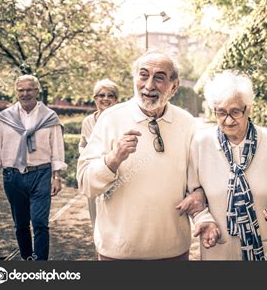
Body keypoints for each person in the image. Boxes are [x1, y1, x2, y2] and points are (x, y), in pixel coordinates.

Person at [76, 52, 217, 260]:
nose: (149, 85)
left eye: (159, 77)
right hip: (118, 252)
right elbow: (85, 183)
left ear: (174, 86)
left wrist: (200, 194)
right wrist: (113, 159)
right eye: (143, 75)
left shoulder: (187, 123)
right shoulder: (110, 119)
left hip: (173, 252)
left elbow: (199, 179)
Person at [189, 71, 267, 260]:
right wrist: (203, 218)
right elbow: (192, 192)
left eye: (235, 112)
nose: (228, 120)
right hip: (218, 247)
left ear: (249, 109)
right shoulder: (201, 143)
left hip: (263, 246)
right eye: (221, 112)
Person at [0, 75, 66, 261]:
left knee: (39, 223)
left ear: (37, 91)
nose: (25, 93)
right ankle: (27, 259)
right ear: (16, 92)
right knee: (21, 224)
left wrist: (57, 177)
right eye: (21, 90)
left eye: (29, 89)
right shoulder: (4, 118)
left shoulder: (50, 117)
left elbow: (57, 150)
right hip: (12, 177)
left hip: (41, 174)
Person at [79, 79, 119, 228]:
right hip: (94, 173)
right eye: (101, 95)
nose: (106, 99)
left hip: (115, 173)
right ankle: (99, 247)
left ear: (116, 100)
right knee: (95, 218)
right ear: (95, 99)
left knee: (115, 216)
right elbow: (82, 145)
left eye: (110, 95)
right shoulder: (88, 121)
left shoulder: (121, 120)